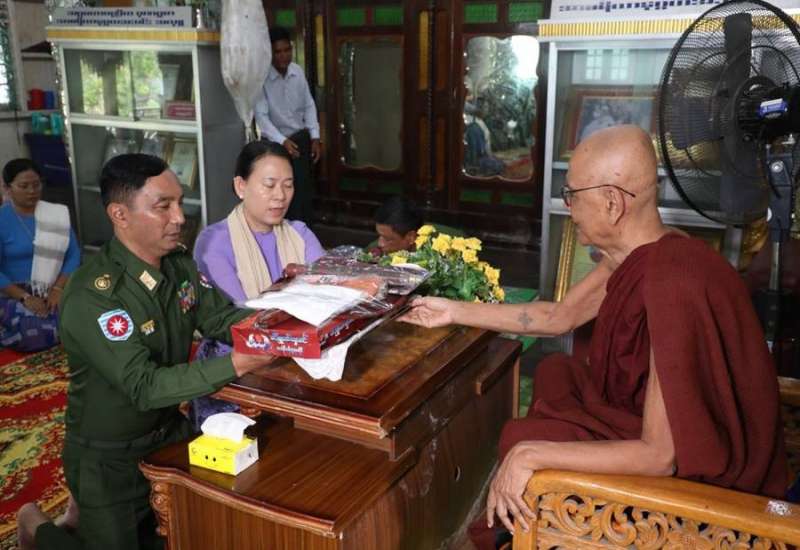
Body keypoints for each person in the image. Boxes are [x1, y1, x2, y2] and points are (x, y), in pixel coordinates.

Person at [401, 125, 787, 550]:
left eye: (572, 194)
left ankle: (531, 532)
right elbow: (558, 316)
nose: (569, 207)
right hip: (638, 420)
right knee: (555, 371)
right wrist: (452, 310)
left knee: (522, 441)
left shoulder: (674, 281)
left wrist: (530, 455)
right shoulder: (640, 254)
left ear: (612, 202)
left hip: (701, 490)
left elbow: (661, 456)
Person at [16, 154, 277, 550]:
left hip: (169, 433)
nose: (180, 217)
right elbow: (145, 386)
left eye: (179, 203)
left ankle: (81, 518)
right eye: (163, 206)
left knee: (208, 528)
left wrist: (281, 325)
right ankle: (35, 525)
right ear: (120, 215)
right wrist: (237, 363)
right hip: (108, 459)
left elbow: (220, 317)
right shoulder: (94, 295)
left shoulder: (178, 265)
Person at [190, 140, 325, 428]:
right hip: (236, 366)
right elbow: (244, 316)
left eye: (288, 185)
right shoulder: (214, 242)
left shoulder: (299, 233)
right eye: (269, 185)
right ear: (241, 186)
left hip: (296, 360)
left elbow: (326, 294)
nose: (280, 196)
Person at [0, 159, 80, 351]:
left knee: (87, 316)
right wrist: (25, 298)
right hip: (12, 293)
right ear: (8, 188)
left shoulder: (56, 215)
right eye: (24, 186)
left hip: (54, 286)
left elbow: (74, 254)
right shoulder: (2, 220)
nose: (31, 191)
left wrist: (58, 288)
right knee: (35, 330)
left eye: (36, 185)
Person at [254, 26, 321, 226]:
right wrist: (282, 141)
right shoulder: (262, 79)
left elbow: (309, 105)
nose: (284, 55)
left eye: (287, 50)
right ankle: (283, 237)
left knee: (303, 193)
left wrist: (315, 136)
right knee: (281, 196)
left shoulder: (297, 72)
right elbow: (261, 117)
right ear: (270, 53)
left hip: (300, 140)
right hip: (276, 144)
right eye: (278, 52)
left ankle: (304, 236)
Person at [371, 196, 463, 255]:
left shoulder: (450, 249)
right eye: (380, 236)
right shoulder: (377, 247)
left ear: (411, 237)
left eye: (387, 239)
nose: (380, 243)